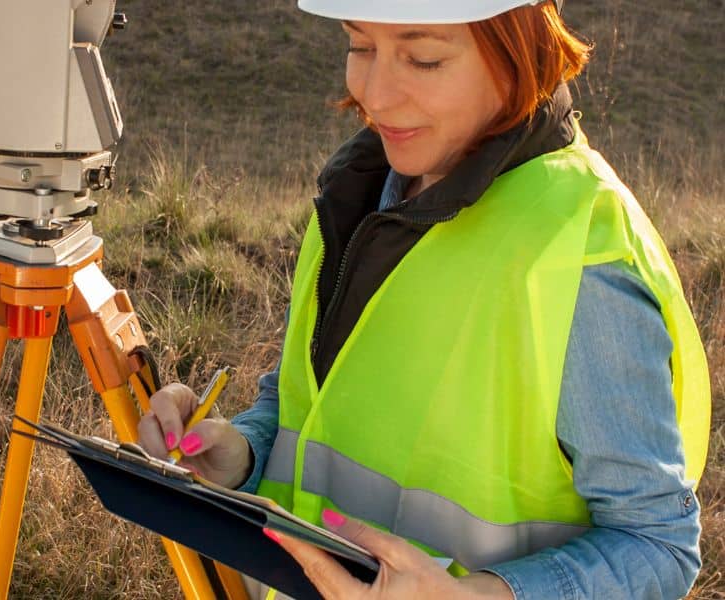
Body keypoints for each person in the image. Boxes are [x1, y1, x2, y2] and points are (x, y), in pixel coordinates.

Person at [137, 1, 712, 598]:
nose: (374, 94)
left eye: (424, 58)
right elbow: (313, 405)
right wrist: (246, 453)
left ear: (517, 50)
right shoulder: (358, 193)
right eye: (360, 46)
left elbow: (657, 543)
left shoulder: (576, 254)